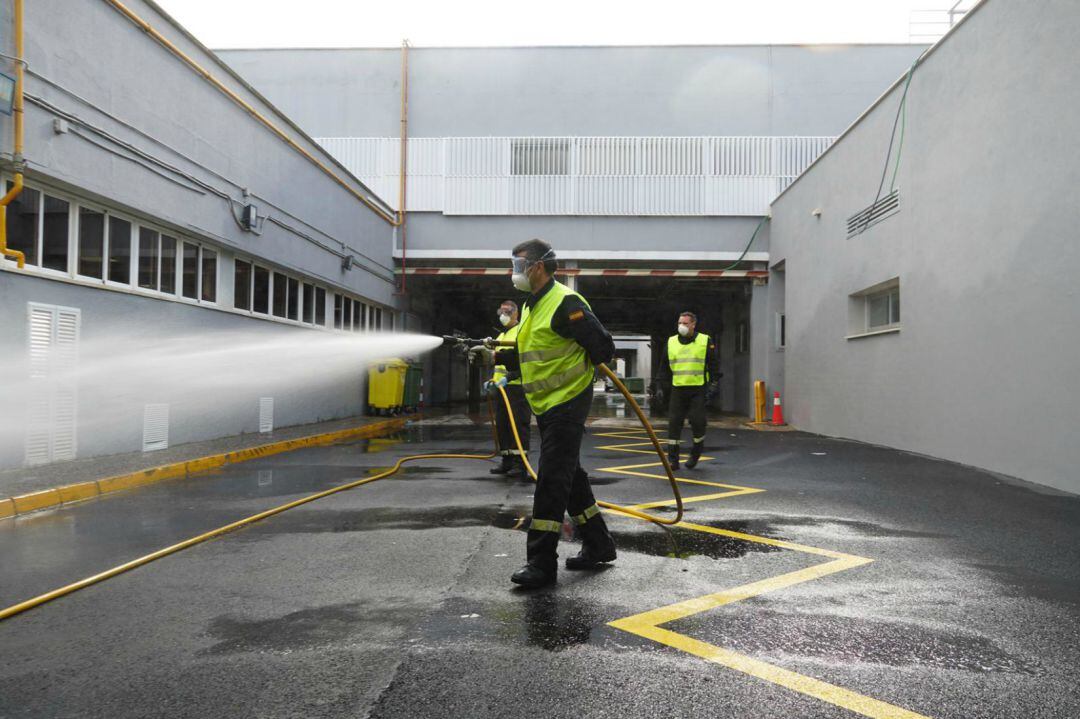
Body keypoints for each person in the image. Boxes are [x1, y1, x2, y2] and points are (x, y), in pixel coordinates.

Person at [489, 238, 617, 589]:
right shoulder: (532, 304)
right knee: (570, 478)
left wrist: (586, 365)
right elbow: (534, 354)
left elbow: (603, 346)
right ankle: (599, 545)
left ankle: (541, 563)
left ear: (537, 266)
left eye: (517, 265)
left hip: (568, 403)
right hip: (546, 404)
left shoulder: (565, 302)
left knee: (551, 480)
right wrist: (495, 355)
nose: (513, 272)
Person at [658, 311, 720, 470]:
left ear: (693, 325)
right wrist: (661, 387)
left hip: (698, 389)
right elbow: (664, 367)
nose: (682, 326)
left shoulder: (704, 341)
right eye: (680, 323)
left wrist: (713, 384)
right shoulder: (671, 342)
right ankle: (673, 460)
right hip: (678, 389)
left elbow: (713, 364)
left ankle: (695, 453)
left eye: (685, 323)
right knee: (674, 424)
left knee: (698, 422)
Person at [484, 299, 531, 479]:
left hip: (517, 387)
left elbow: (525, 361)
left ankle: (520, 464)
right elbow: (498, 362)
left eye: (508, 312)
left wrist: (509, 377)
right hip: (502, 389)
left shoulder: (520, 332)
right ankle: (507, 461)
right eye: (501, 312)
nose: (504, 315)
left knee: (518, 426)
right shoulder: (502, 335)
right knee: (502, 425)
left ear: (516, 313)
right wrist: (493, 381)